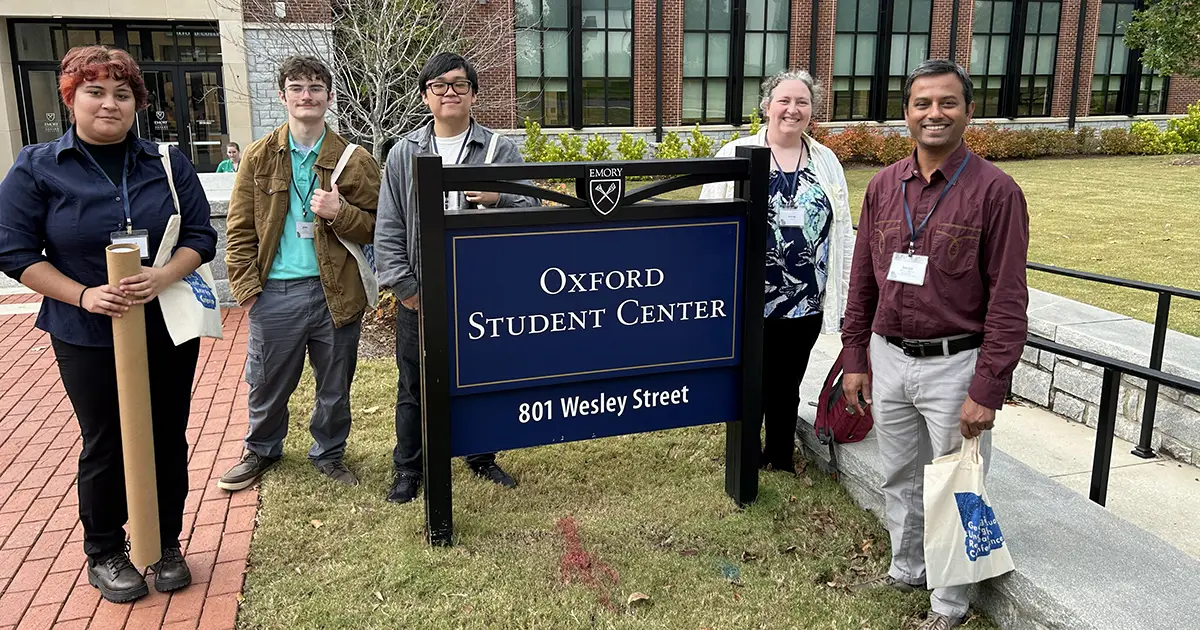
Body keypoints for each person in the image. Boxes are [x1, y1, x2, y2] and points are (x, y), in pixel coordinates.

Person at [0, 46, 217, 602]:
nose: (110, 104)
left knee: (166, 434)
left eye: (123, 94)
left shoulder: (166, 161)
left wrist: (164, 274)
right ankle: (105, 550)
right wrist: (83, 294)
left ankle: (165, 542)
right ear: (71, 96)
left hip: (163, 324)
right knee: (106, 440)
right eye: (95, 91)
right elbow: (14, 250)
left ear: (137, 104)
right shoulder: (37, 165)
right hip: (87, 332)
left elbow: (200, 235)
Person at [840, 60, 1029, 630]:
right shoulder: (882, 185)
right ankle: (908, 567)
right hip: (889, 357)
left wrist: (988, 388)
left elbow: (1009, 300)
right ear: (906, 114)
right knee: (900, 475)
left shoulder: (996, 193)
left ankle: (951, 603)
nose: (934, 114)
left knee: (960, 485)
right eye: (922, 103)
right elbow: (863, 279)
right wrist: (854, 357)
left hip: (957, 363)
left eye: (948, 103)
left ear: (969, 111)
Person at [375, 52, 538, 504]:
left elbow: (533, 212)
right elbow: (388, 227)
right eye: (440, 85)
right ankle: (409, 468)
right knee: (414, 384)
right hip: (422, 294)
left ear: (473, 93)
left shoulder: (498, 148)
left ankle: (481, 456)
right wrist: (405, 290)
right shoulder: (404, 153)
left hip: (482, 290)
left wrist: (498, 198)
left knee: (481, 377)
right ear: (426, 95)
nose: (450, 92)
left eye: (460, 84)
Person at [218, 55, 380, 492]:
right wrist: (249, 292)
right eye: (297, 87)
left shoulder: (353, 158)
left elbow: (379, 224)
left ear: (329, 96)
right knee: (267, 382)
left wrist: (341, 212)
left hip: (337, 292)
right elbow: (239, 230)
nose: (306, 96)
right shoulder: (258, 155)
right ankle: (262, 450)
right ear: (282, 95)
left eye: (315, 88)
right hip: (276, 293)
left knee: (334, 385)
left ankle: (328, 454)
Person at [700, 69, 856, 473]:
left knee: (787, 384)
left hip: (805, 300)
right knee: (751, 382)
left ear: (811, 110)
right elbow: (709, 230)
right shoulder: (736, 154)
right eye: (784, 100)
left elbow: (842, 228)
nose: (792, 109)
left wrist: (845, 292)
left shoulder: (826, 160)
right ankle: (746, 458)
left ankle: (781, 456)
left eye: (802, 102)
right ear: (767, 106)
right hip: (749, 300)